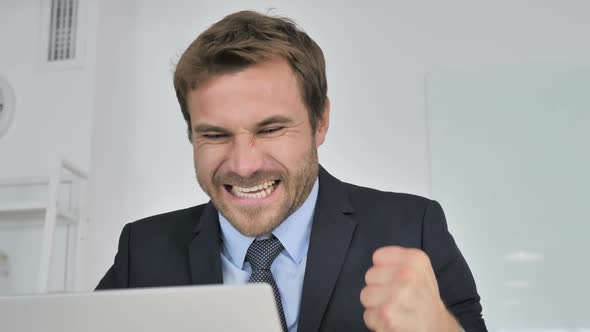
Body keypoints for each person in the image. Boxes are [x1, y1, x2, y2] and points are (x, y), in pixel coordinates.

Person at [96, 10, 487, 332]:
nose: (243, 165)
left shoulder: (411, 229)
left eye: (270, 129)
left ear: (320, 122)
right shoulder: (141, 253)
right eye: (215, 135)